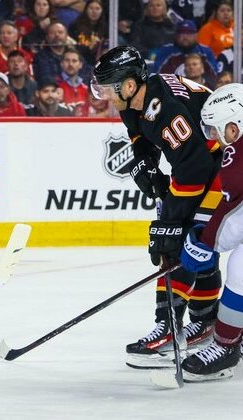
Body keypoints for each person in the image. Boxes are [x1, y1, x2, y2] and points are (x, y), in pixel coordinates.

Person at [91, 46, 224, 369]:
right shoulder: (132, 100)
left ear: (130, 84)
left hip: (221, 167)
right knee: (189, 243)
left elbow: (193, 169)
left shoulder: (166, 109)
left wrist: (172, 223)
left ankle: (169, 326)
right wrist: (145, 162)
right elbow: (138, 135)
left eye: (109, 87)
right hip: (202, 164)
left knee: (186, 242)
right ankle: (204, 322)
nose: (106, 95)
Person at [178, 83, 243, 382]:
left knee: (241, 268)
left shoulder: (237, 157)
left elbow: (237, 214)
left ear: (234, 127)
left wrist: (206, 242)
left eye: (215, 130)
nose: (215, 139)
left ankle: (226, 346)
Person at [152, 19, 218, 89]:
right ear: (176, 35)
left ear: (196, 35)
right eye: (182, 33)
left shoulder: (205, 52)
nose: (185, 37)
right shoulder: (165, 51)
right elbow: (157, 77)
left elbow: (214, 76)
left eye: (189, 33)